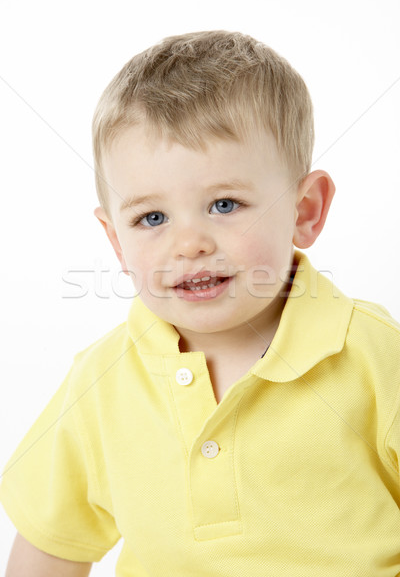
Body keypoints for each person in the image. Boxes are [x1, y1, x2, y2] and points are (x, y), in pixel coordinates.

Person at [1, 30, 399, 577]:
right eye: (152, 218)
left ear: (305, 211)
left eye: (225, 204)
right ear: (116, 240)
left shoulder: (375, 358)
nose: (189, 244)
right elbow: (51, 547)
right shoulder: (101, 380)